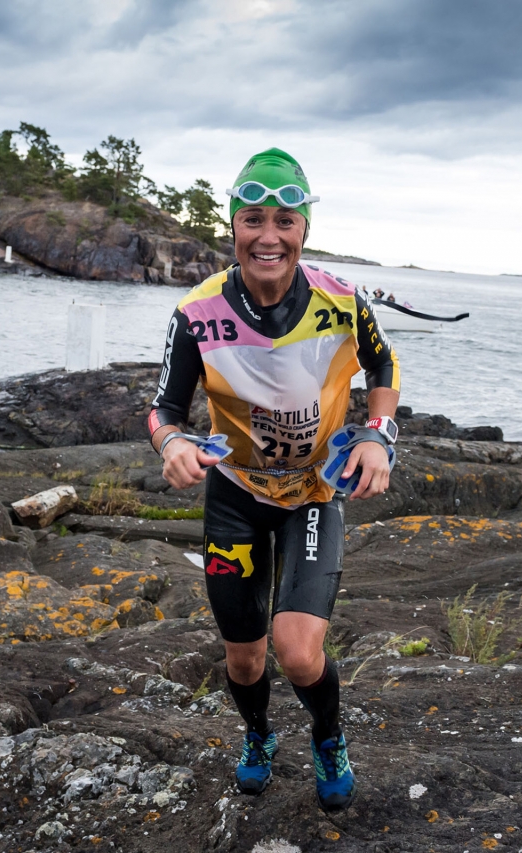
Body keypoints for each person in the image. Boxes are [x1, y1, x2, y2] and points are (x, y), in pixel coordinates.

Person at [148, 148, 400, 811]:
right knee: (244, 660)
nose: (268, 235)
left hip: (313, 494)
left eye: (285, 220)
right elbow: (164, 408)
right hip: (234, 497)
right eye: (253, 218)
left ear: (304, 230)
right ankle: (257, 734)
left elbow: (383, 367)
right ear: (232, 226)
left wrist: (379, 436)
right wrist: (171, 442)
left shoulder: (342, 302)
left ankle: (327, 733)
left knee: (296, 650)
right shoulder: (197, 312)